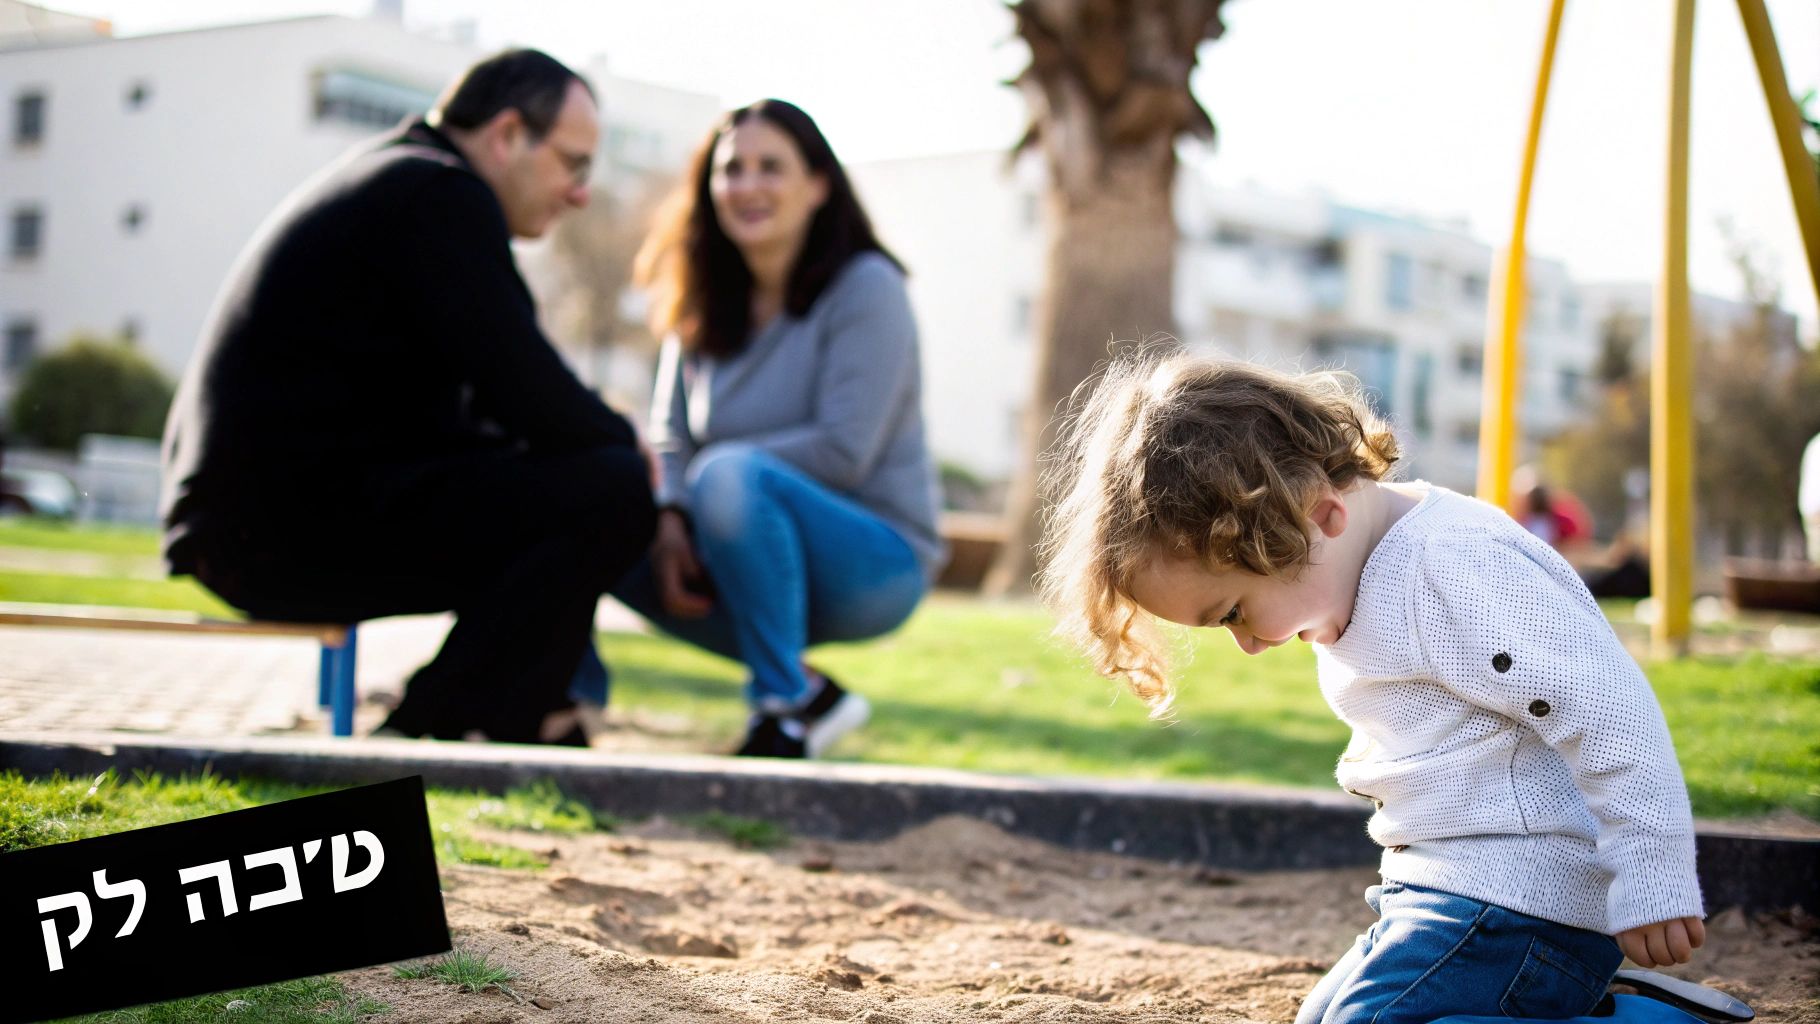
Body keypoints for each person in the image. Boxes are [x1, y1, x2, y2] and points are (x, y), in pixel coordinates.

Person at [1038, 354, 1706, 1024]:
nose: (1245, 642)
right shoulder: (1350, 578)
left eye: (1233, 611)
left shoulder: (1455, 568)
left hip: (1527, 902)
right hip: (1442, 892)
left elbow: (1607, 708)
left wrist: (1654, 875)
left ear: (1317, 518)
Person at [160, 50, 655, 745]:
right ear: (508, 134)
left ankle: (514, 716)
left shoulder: (398, 178)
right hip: (275, 530)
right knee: (613, 488)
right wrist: (628, 438)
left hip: (252, 520)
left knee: (576, 490)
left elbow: (496, 411)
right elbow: (533, 396)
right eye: (574, 164)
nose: (580, 194)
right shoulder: (439, 194)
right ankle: (433, 732)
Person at [571, 99, 943, 759]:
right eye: (731, 169)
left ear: (819, 185)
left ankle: (782, 710)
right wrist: (671, 516)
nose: (747, 185)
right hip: (729, 545)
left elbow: (843, 449)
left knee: (731, 475)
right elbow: (670, 436)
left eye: (771, 167)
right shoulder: (703, 293)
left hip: (872, 559)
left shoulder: (869, 287)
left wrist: (713, 487)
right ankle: (563, 705)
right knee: (590, 494)